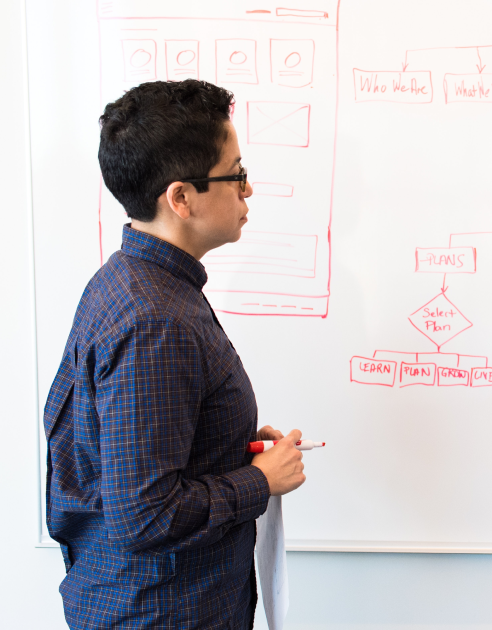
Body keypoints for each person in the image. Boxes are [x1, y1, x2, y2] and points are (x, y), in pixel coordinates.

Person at [43, 79, 308, 630]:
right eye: (236, 174)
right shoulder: (154, 321)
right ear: (181, 198)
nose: (248, 189)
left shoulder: (138, 284)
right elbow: (145, 514)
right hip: (161, 613)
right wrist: (261, 481)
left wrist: (236, 447)